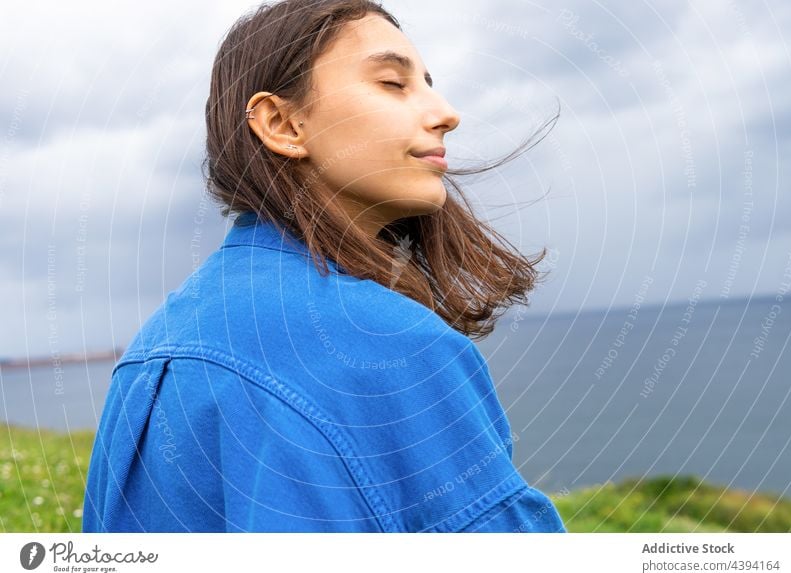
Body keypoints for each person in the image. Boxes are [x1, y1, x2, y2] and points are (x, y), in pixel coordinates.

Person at [83, 0, 566, 533]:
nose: (446, 112)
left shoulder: (155, 346)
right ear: (282, 123)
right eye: (392, 83)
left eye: (429, 83)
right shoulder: (386, 344)